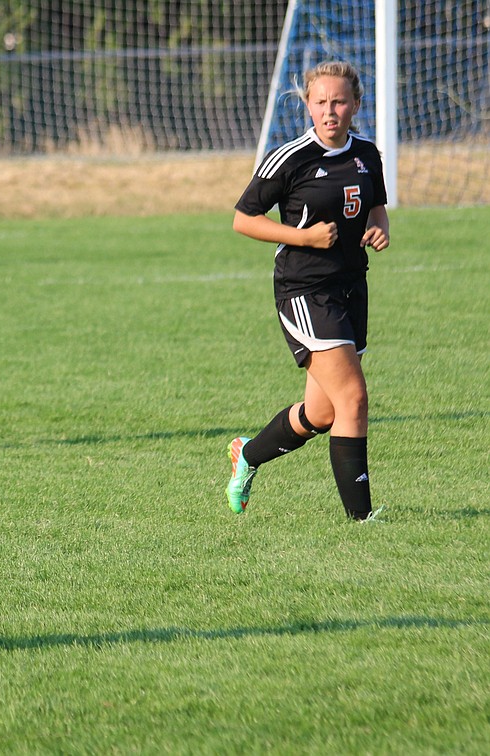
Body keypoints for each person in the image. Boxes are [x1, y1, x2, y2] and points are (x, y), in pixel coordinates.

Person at [226, 61, 390, 521]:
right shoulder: (291, 158)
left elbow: (376, 209)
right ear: (308, 106)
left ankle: (248, 455)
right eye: (320, 102)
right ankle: (363, 520)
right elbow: (243, 219)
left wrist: (379, 230)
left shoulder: (367, 154)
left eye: (339, 101)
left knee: (319, 414)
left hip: (350, 287)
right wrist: (303, 237)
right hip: (303, 290)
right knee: (353, 399)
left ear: (355, 104)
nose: (330, 110)